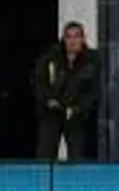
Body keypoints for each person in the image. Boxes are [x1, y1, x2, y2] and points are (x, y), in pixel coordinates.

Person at [34, 21, 99, 161]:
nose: (73, 41)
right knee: (44, 156)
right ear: (63, 39)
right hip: (52, 112)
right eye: (68, 37)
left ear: (83, 39)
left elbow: (94, 90)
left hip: (78, 115)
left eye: (76, 36)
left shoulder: (92, 60)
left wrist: (79, 108)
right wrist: (48, 99)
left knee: (78, 156)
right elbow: (38, 82)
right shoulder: (51, 58)